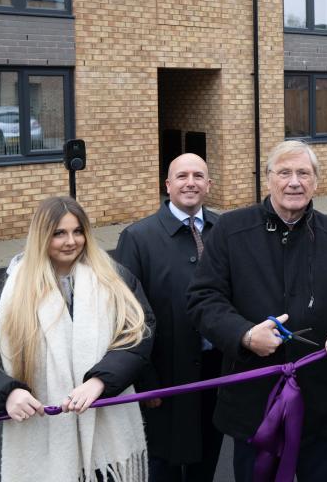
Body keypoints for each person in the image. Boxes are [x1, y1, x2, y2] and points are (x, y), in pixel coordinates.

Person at [186, 140, 327, 482]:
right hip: (254, 403)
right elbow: (203, 298)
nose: (294, 181)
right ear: (268, 179)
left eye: (303, 173)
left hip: (321, 404)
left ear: (316, 181)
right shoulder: (230, 231)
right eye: (284, 172)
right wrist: (245, 334)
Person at [0, 196, 154, 482]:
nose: (71, 241)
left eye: (78, 231)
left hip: (107, 452)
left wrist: (100, 381)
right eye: (59, 233)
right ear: (41, 237)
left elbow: (138, 334)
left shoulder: (115, 280)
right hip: (43, 448)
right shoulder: (9, 300)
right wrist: (7, 393)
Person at [115, 153, 223, 482]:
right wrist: (145, 382)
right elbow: (125, 316)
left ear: (208, 184)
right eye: (181, 176)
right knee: (163, 465)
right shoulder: (138, 237)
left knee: (207, 456)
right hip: (164, 375)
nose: (190, 182)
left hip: (217, 371)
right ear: (167, 184)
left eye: (198, 176)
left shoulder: (224, 230)